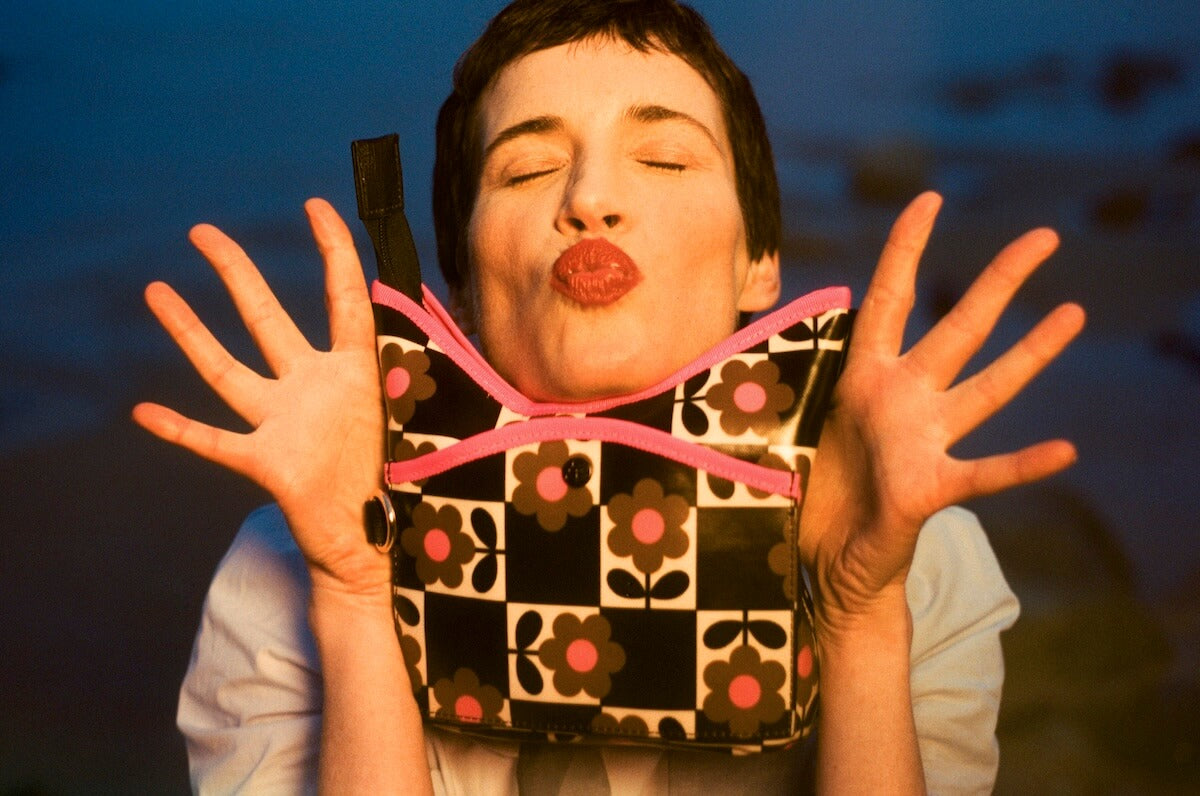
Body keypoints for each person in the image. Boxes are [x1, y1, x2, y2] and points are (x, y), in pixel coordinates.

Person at [134, 1, 1084, 792]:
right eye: (528, 167)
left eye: (664, 159)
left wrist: (859, 616)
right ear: (458, 285)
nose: (590, 196)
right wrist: (352, 589)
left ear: (760, 264)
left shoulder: (912, 547)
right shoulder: (289, 562)